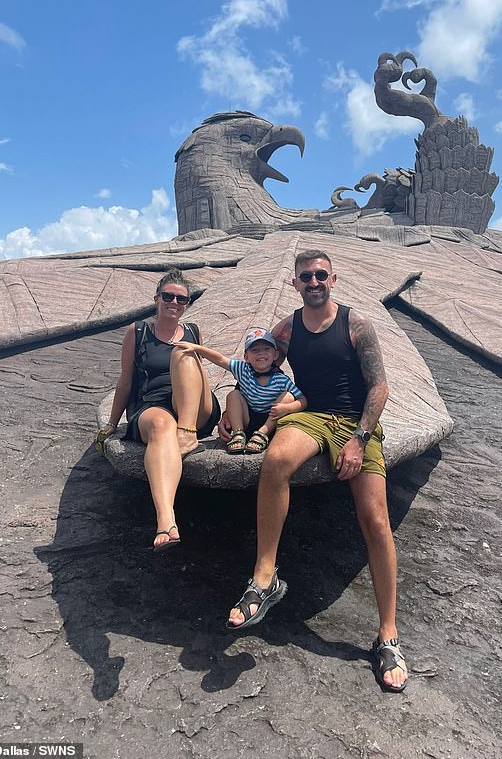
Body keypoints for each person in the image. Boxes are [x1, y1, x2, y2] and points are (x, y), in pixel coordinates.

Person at [223, 249, 408, 692]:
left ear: (333, 278)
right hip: (310, 415)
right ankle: (264, 579)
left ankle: (388, 635)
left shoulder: (356, 324)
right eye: (305, 276)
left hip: (354, 422)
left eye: (320, 275)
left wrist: (360, 439)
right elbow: (258, 363)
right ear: (295, 283)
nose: (313, 282)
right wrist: (232, 407)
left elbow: (379, 385)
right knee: (276, 460)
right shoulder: (287, 328)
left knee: (376, 520)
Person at [96, 268, 220, 551]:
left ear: (187, 304)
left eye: (182, 299)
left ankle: (187, 432)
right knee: (162, 427)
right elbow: (125, 381)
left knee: (184, 353)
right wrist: (112, 423)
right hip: (153, 405)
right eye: (169, 296)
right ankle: (166, 519)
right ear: (157, 298)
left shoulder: (192, 331)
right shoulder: (138, 332)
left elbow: (200, 374)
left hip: (192, 408)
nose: (174, 303)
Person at [173, 327, 307, 454]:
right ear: (246, 356)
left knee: (288, 396)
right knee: (233, 394)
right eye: (254, 350)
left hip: (270, 421)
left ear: (275, 354)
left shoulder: (281, 380)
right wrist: (196, 348)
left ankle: (262, 434)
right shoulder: (243, 370)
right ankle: (238, 433)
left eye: (266, 349)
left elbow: (303, 400)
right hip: (248, 418)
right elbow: (220, 359)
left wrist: (287, 408)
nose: (261, 353)